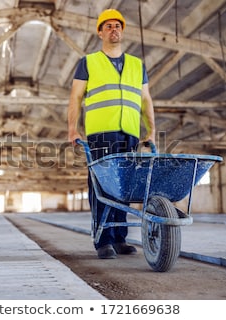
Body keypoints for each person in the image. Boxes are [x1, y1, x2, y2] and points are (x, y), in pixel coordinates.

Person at [67, 9, 156, 259]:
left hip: (129, 133)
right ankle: (102, 240)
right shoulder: (89, 62)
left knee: (125, 187)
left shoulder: (137, 66)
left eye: (118, 25)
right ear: (100, 32)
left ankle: (119, 239)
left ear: (122, 31)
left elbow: (145, 99)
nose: (114, 29)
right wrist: (72, 129)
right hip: (101, 134)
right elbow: (75, 97)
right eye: (108, 26)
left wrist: (151, 130)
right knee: (102, 187)